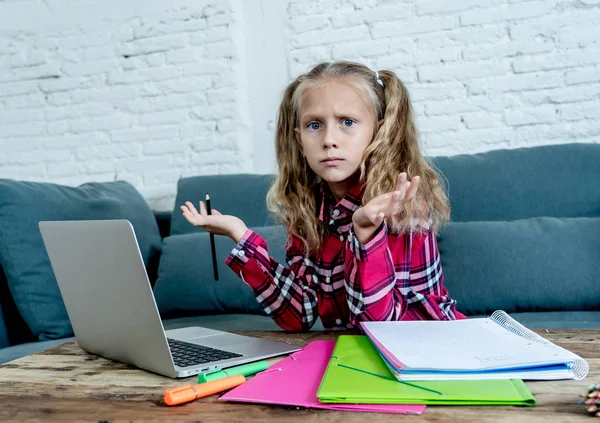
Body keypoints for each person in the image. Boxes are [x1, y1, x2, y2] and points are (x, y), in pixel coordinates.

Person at [181, 60, 466, 332]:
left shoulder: (401, 203)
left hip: (426, 347)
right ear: (299, 141)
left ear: (379, 133)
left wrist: (365, 233)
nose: (329, 139)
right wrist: (241, 235)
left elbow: (383, 324)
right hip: (353, 355)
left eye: (347, 122)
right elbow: (299, 314)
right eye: (314, 125)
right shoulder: (306, 210)